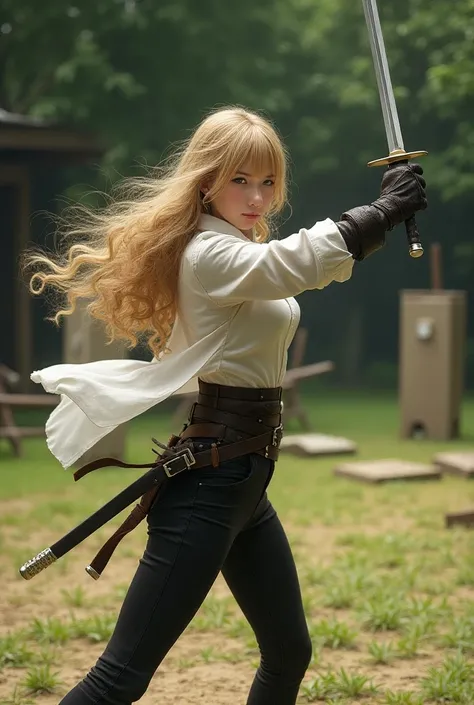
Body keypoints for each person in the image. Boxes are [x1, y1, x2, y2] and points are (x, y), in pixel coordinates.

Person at [22, 105, 427, 705]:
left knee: (289, 653)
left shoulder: (235, 248)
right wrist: (380, 213)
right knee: (119, 679)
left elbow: (288, 268)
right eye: (240, 179)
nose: (257, 196)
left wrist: (378, 220)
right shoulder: (209, 254)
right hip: (208, 486)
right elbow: (292, 263)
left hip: (242, 481)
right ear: (206, 180)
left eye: (267, 182)